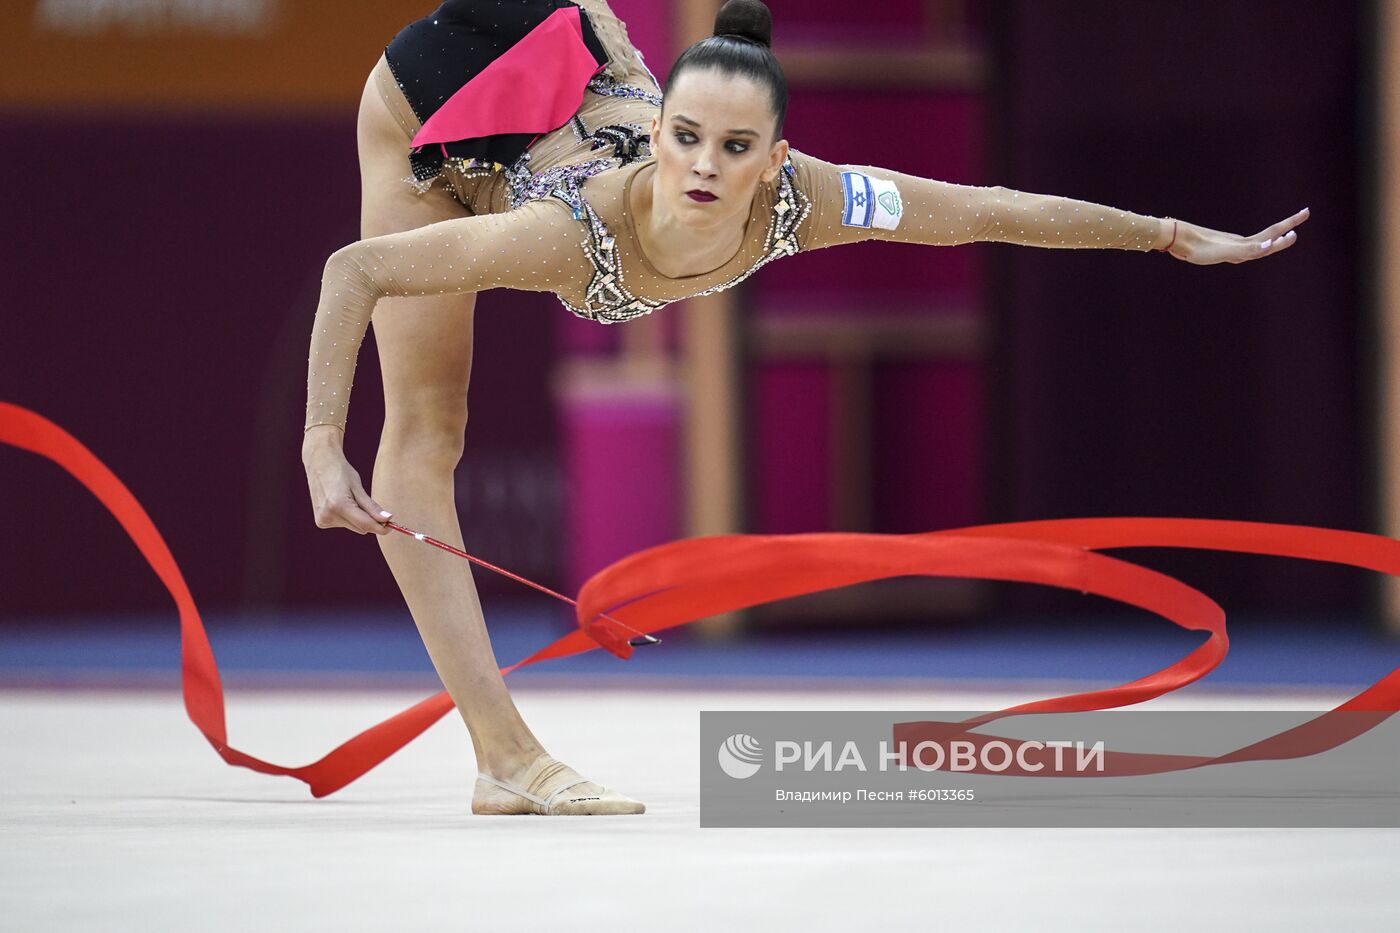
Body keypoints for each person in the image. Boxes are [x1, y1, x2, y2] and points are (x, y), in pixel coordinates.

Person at [300, 0, 1309, 816]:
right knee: (429, 428)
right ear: (659, 133)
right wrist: (317, 444)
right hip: (438, 110)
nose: (702, 166)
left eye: (734, 148)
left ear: (777, 160)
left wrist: (1167, 234)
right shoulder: (562, 237)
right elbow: (354, 272)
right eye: (685, 138)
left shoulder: (812, 204)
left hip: (572, 87)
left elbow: (986, 211)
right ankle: (503, 754)